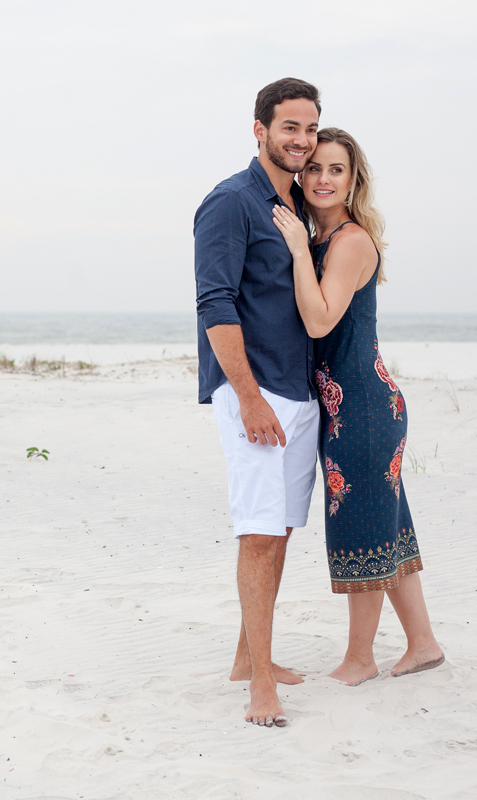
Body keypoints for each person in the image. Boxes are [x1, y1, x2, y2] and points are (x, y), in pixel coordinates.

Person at [270, 128, 445, 685]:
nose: (322, 178)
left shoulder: (347, 242)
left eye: (336, 169)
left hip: (365, 409)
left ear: (353, 179)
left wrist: (299, 251)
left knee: (362, 530)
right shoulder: (322, 239)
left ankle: (360, 659)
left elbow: (320, 319)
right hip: (348, 408)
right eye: (314, 168)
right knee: (388, 526)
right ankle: (422, 644)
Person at [194, 78, 321, 728]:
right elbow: (215, 303)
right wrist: (246, 397)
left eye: (309, 128)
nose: (300, 139)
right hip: (256, 391)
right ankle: (260, 687)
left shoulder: (298, 204)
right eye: (289, 127)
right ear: (260, 130)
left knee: (280, 530)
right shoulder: (230, 202)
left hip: (297, 392)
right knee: (259, 534)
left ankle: (250, 656)